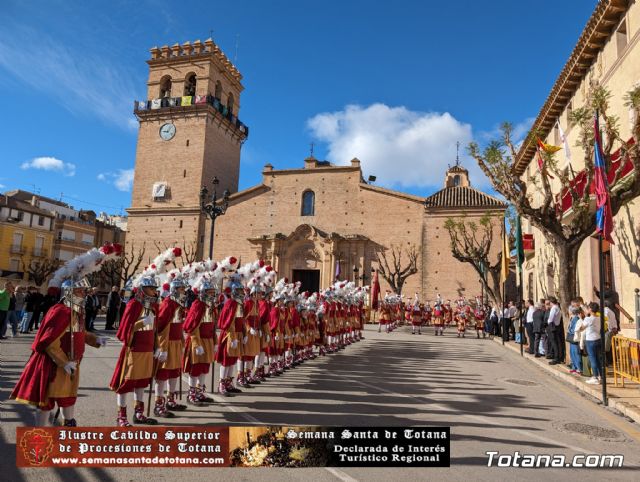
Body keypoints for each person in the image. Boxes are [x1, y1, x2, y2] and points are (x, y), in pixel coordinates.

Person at [9, 244, 118, 426]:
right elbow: (50, 342)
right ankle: (41, 434)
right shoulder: (60, 311)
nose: (84, 294)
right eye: (80, 291)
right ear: (69, 293)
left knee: (68, 397)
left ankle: (69, 424)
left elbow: (78, 333)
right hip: (55, 364)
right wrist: (64, 362)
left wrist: (95, 339)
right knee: (47, 402)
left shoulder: (75, 311)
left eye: (84, 291)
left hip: (71, 362)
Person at [109, 246, 181, 426]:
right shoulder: (133, 304)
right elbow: (123, 331)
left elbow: (156, 330)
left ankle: (139, 413)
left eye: (154, 288)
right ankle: (121, 416)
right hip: (134, 349)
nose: (154, 291)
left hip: (148, 349)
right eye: (150, 289)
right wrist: (142, 323)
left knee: (142, 382)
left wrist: (157, 347)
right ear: (142, 289)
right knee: (126, 383)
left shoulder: (154, 306)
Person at [576, 302, 603, 385]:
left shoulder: (588, 319)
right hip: (598, 339)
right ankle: (600, 376)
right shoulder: (599, 318)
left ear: (590, 309)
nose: (587, 310)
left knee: (592, 359)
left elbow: (581, 328)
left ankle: (595, 377)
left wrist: (581, 326)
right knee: (598, 359)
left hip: (591, 340)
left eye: (588, 308)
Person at [567, 303, 583, 375]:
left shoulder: (576, 319)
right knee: (572, 353)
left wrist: (569, 330)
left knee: (576, 353)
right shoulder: (572, 318)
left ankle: (579, 368)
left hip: (575, 338)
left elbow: (574, 329)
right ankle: (574, 367)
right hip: (572, 339)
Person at [546, 297, 563, 365]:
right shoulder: (558, 307)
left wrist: (548, 322)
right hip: (557, 326)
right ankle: (559, 357)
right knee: (557, 342)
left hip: (553, 326)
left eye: (549, 303)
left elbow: (550, 319)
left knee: (554, 343)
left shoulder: (553, 308)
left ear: (551, 302)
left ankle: (556, 358)